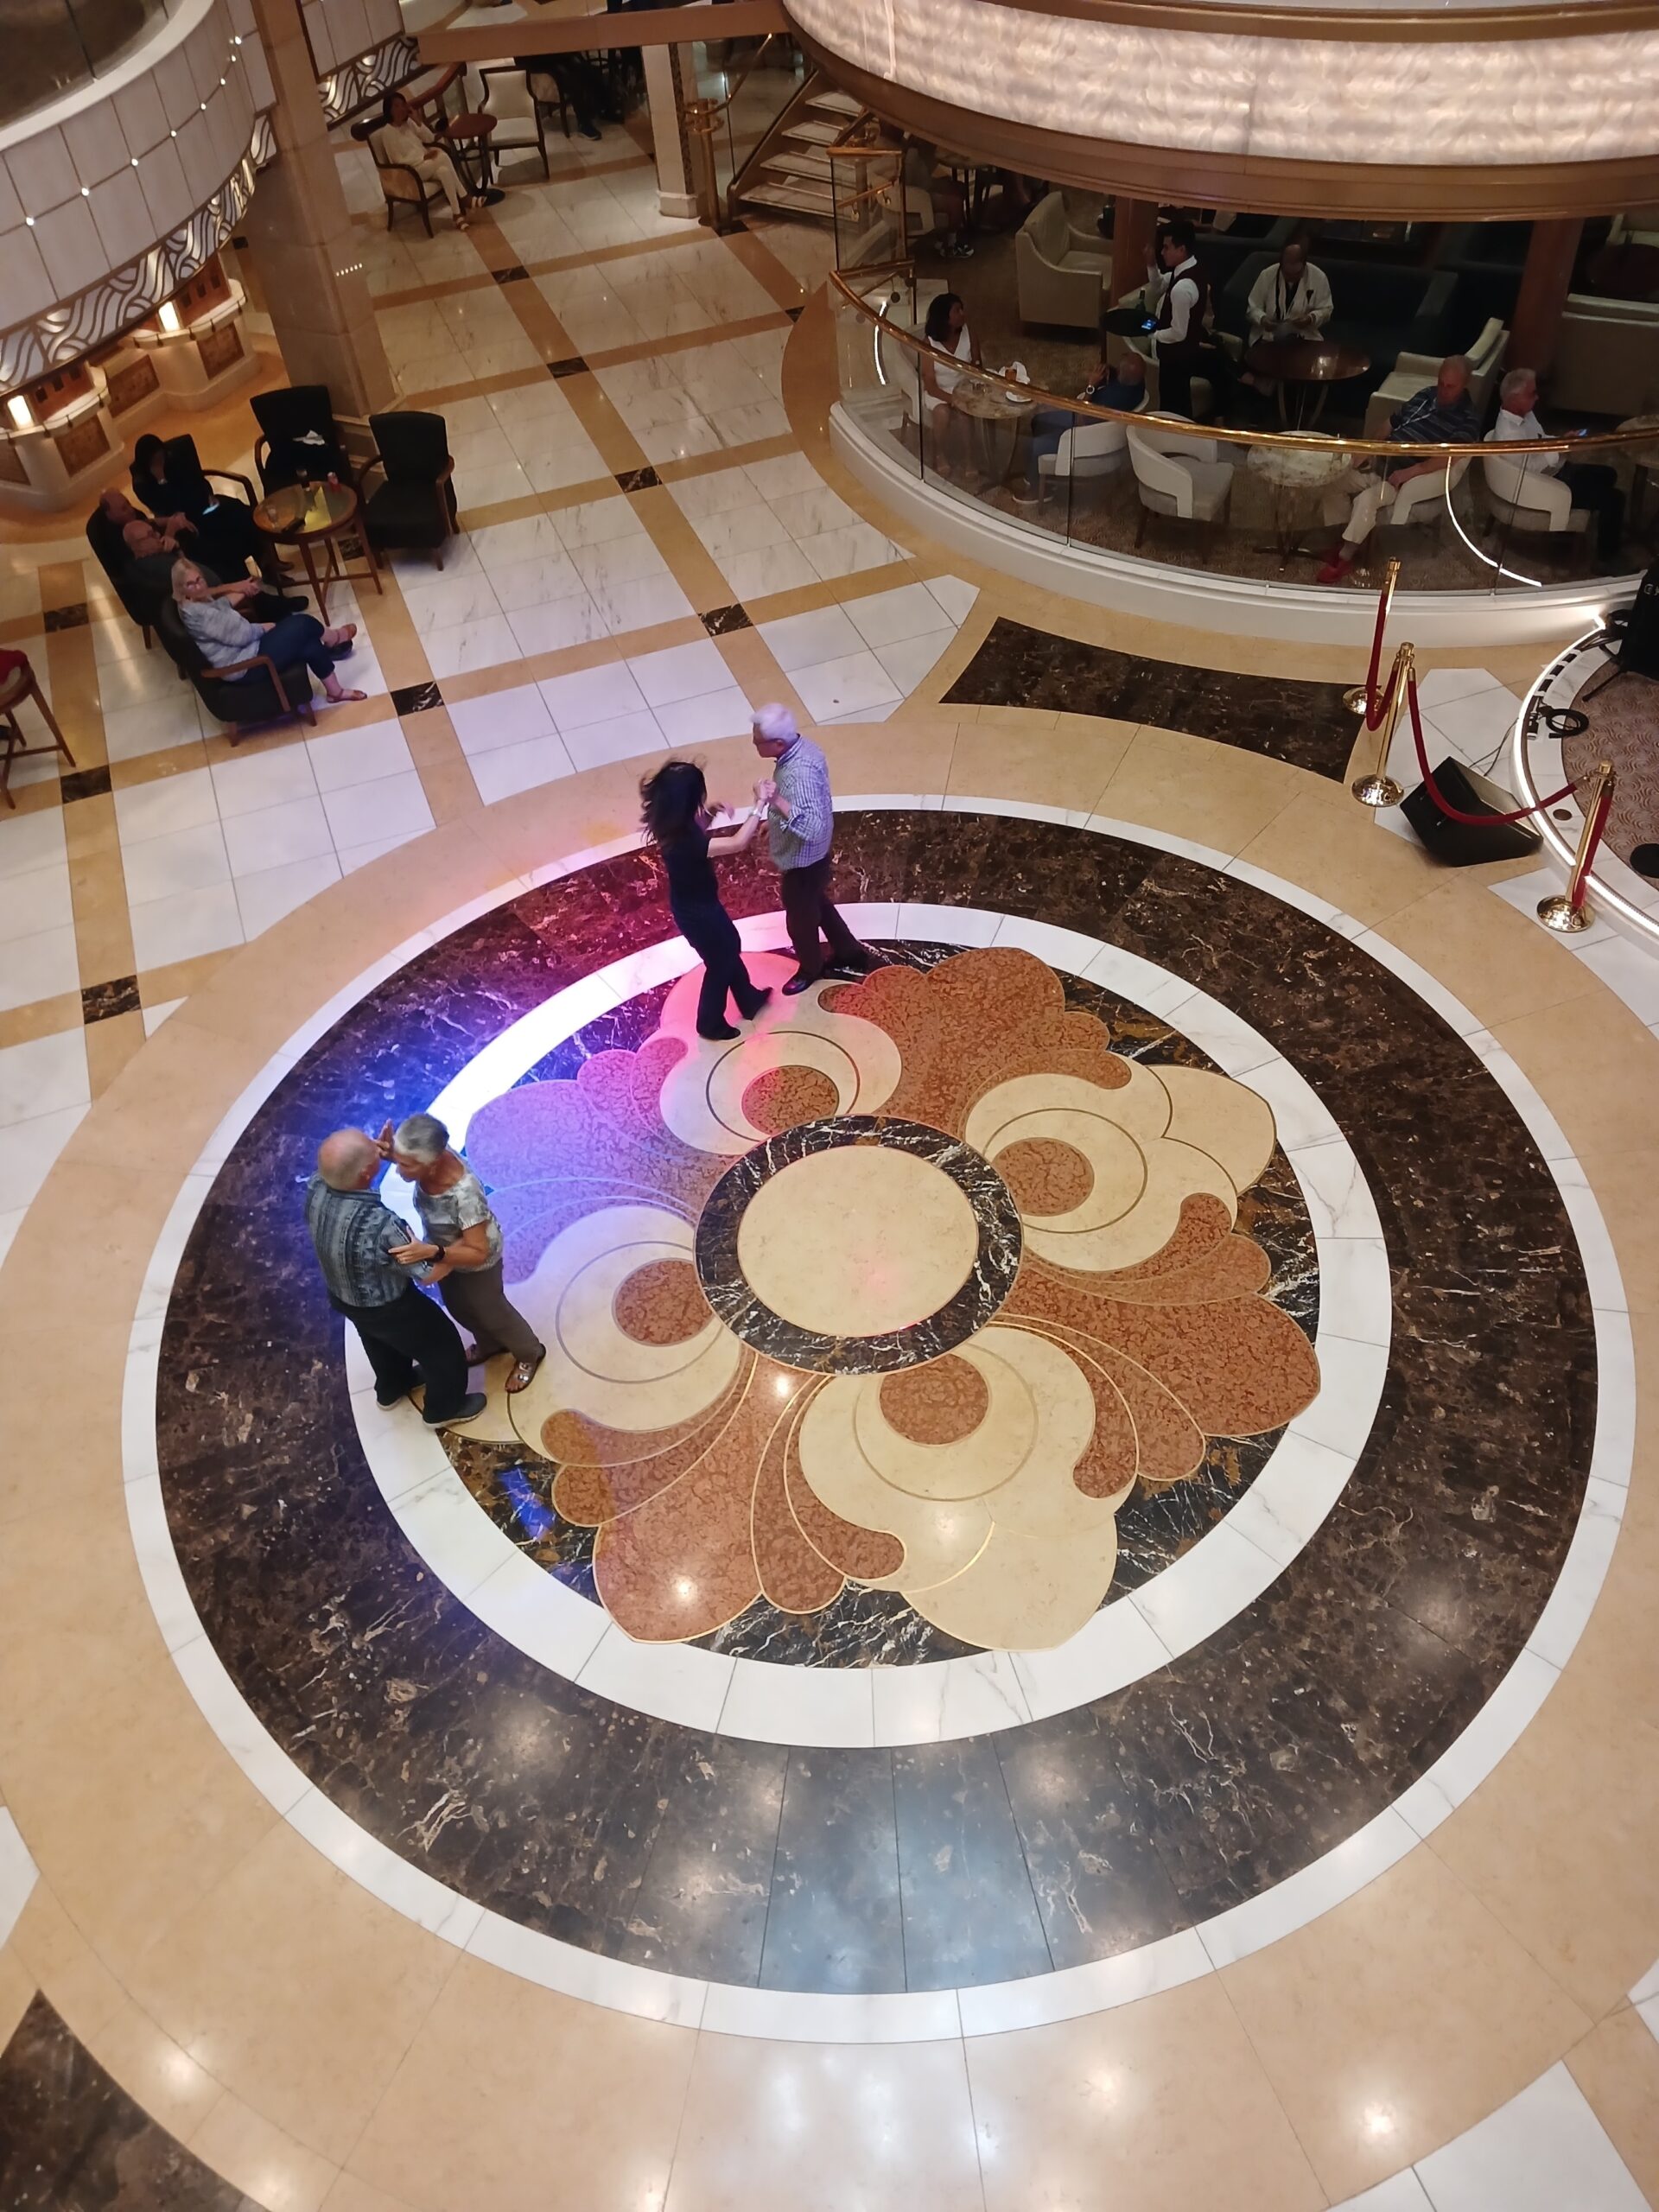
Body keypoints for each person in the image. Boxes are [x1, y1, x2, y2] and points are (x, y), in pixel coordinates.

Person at [304, 1128, 486, 1427]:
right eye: (372, 1147)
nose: (378, 1145)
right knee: (441, 1345)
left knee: (378, 1342)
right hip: (389, 1306)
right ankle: (444, 1409)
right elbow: (428, 1274)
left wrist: (367, 1156)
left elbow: (340, 1170)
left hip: (343, 1296)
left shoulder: (316, 1186)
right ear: (366, 1174)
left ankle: (392, 1386)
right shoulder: (384, 1225)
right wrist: (457, 1247)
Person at [378, 1112, 546, 1394]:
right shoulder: (431, 1157)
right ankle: (490, 1345)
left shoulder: (465, 1195)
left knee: (492, 1312)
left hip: (475, 1259)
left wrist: (432, 1252)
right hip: (444, 1250)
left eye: (405, 1164)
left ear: (431, 1165)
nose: (397, 1170)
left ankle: (530, 1352)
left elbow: (478, 1251)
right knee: (459, 1307)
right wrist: (391, 1154)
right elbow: (413, 1158)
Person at [640, 757, 773, 1040]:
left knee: (728, 948)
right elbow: (737, 843)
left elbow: (697, 836)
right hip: (699, 912)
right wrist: (759, 804)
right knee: (721, 960)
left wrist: (711, 813)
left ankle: (748, 998)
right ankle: (709, 1023)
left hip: (695, 905)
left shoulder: (670, 823)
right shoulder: (685, 840)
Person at [1317, 354, 1481, 585]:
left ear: (1465, 384)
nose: (1443, 390)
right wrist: (1370, 449)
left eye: (1450, 386)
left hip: (1400, 478)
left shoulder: (1468, 418)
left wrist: (1410, 472)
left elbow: (1448, 457)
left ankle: (1345, 557)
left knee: (1366, 500)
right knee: (1333, 481)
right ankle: (1344, 536)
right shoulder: (1427, 395)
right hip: (1379, 461)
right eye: (1441, 382)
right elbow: (1391, 422)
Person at [752, 704, 879, 995]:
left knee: (800, 922)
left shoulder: (800, 773)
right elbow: (809, 804)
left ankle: (811, 968)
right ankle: (849, 952)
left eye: (758, 741)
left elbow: (813, 829)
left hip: (803, 861)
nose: (753, 743)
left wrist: (776, 802)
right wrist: (777, 819)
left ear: (778, 743)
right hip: (813, 859)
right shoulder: (804, 748)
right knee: (816, 904)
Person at [171, 558, 365, 703]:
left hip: (247, 651)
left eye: (199, 579)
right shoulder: (201, 615)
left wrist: (244, 591)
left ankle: (336, 693)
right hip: (244, 665)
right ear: (181, 589)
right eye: (191, 584)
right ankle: (335, 638)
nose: (198, 586)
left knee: (308, 642)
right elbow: (241, 635)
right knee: (303, 623)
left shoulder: (192, 601)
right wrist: (263, 628)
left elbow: (221, 606)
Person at [1489, 365, 1625, 561]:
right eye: (1532, 393)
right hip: (1542, 486)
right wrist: (1559, 450)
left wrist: (1561, 440)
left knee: (1608, 474)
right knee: (1614, 499)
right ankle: (1607, 558)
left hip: (1554, 471)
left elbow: (1541, 439)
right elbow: (1530, 472)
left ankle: (1589, 528)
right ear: (1515, 398)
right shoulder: (1509, 436)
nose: (1537, 397)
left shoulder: (1525, 415)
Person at [130, 433, 287, 585]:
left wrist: (209, 494)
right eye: (155, 459)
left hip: (203, 504)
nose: (160, 461)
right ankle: (245, 578)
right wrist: (161, 480)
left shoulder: (173, 461)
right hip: (186, 518)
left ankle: (267, 564)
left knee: (241, 512)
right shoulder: (142, 484)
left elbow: (198, 479)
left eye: (161, 457)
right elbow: (167, 505)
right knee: (222, 534)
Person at [1014, 346, 1145, 504]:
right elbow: (1119, 375)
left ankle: (1040, 488)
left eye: (1119, 366)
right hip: (1095, 422)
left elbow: (1081, 419)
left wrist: (1091, 386)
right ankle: (1036, 472)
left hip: (1085, 431)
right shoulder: (1136, 384)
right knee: (1038, 420)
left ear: (1122, 373)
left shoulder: (1112, 402)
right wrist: (1108, 370)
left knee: (1037, 443)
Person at [1142, 219, 1221, 421]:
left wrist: (1153, 334)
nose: (1162, 252)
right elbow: (1159, 285)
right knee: (1178, 405)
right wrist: (1151, 265)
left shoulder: (1182, 288)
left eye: (1166, 247)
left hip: (1176, 357)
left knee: (1174, 408)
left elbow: (1178, 332)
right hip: (1183, 353)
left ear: (1181, 249)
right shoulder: (1191, 268)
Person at [375, 92, 485, 227]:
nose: (401, 109)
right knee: (442, 156)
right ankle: (464, 197)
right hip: (411, 172)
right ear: (389, 110)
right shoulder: (388, 133)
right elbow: (398, 161)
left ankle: (457, 214)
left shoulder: (409, 123)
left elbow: (430, 138)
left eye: (403, 105)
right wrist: (422, 158)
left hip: (426, 165)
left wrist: (418, 121)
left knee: (444, 171)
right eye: (396, 106)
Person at [917, 291, 979, 477]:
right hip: (938, 390)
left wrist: (969, 387)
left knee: (965, 414)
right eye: (957, 310)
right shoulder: (929, 343)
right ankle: (939, 453)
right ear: (945, 318)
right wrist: (953, 400)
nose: (963, 313)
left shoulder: (969, 333)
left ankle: (970, 457)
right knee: (942, 413)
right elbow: (930, 385)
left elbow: (977, 366)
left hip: (963, 387)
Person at [1245, 238, 1333, 345]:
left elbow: (1326, 309)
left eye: (1296, 274)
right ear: (1281, 264)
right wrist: (1262, 319)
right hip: (1268, 338)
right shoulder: (1267, 275)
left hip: (1305, 337)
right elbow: (1253, 308)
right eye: (1287, 274)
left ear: (1304, 265)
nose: (1291, 278)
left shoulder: (1318, 277)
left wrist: (1311, 318)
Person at [518, 54, 604, 140]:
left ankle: (602, 109)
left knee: (590, 71)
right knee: (574, 80)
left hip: (556, 58)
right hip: (540, 64)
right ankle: (584, 123)